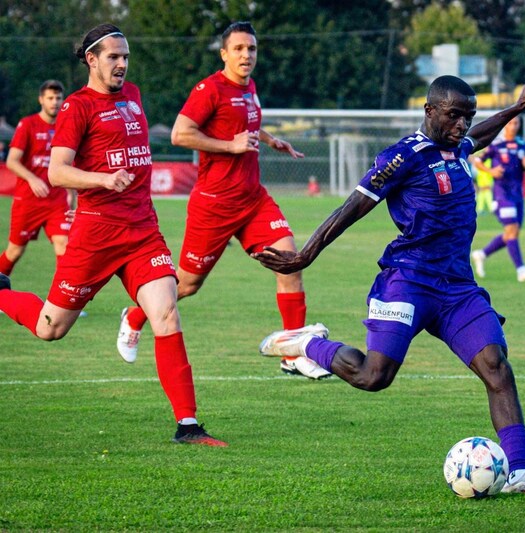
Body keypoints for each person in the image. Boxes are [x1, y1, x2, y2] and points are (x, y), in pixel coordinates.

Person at [253, 75, 525, 497]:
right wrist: (308, 252)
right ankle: (307, 344)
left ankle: (520, 473)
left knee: (496, 365)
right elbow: (353, 206)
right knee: (372, 376)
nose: (463, 126)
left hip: (456, 286)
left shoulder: (459, 147)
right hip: (408, 280)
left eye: (468, 117)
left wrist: (515, 110)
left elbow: (483, 136)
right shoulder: (402, 157)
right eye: (454, 116)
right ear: (430, 111)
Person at [0, 24, 226, 446]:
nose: (122, 64)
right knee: (51, 327)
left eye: (125, 57)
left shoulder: (134, 95)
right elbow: (57, 171)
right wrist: (103, 180)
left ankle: (189, 426)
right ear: (92, 60)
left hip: (142, 231)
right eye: (113, 57)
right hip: (96, 234)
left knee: (167, 313)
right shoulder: (76, 107)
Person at [115, 21, 329, 380]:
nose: (247, 55)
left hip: (253, 199)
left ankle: (292, 354)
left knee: (290, 263)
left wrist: (272, 139)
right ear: (225, 53)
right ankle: (135, 315)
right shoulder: (209, 89)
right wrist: (230, 146)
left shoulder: (250, 89)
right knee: (187, 284)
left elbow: (242, 123)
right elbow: (181, 134)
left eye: (252, 49)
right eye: (240, 49)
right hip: (214, 205)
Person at [1, 80, 72, 278]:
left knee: (64, 246)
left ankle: (63, 305)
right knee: (15, 251)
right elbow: (12, 161)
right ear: (41, 100)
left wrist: (72, 198)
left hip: (56, 201)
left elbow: (70, 166)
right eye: (50, 98)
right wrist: (33, 179)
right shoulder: (27, 124)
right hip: (28, 200)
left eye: (58, 98)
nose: (54, 102)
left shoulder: (66, 126)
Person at [471, 116, 525, 283]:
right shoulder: (496, 144)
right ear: (505, 125)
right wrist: (491, 171)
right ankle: (521, 270)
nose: (513, 126)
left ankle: (481, 254)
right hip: (502, 195)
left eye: (516, 123)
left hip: (518, 195)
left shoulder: (522, 144)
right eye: (510, 123)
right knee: (512, 229)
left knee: (512, 233)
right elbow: (476, 161)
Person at [469, 149, 493, 215]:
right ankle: (490, 208)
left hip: (485, 175)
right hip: (483, 176)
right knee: (486, 190)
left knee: (483, 192)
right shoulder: (480, 159)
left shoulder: (484, 158)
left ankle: (481, 209)